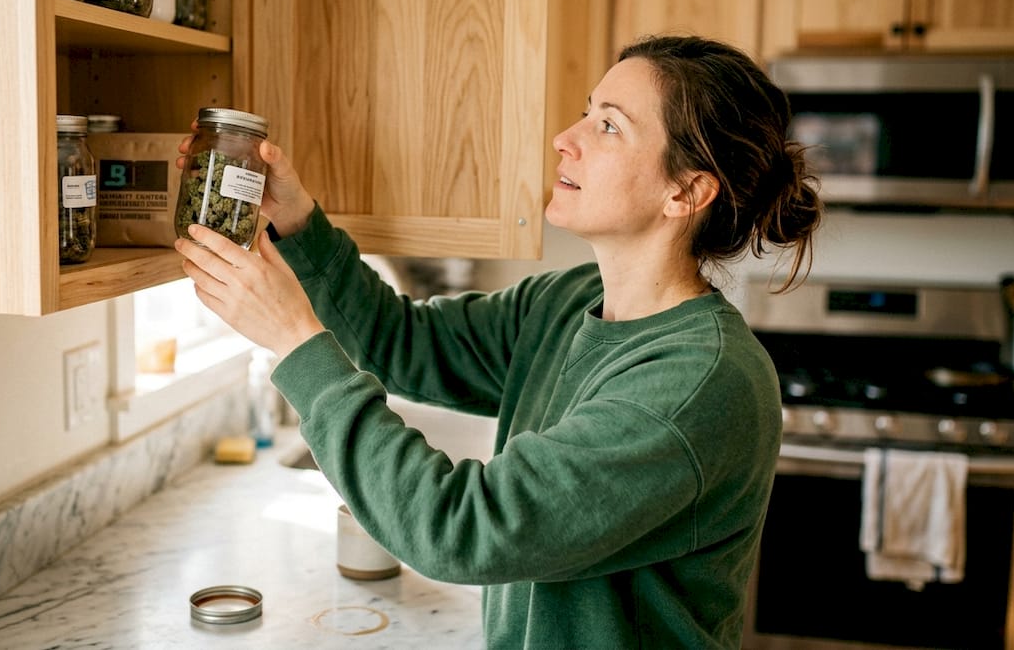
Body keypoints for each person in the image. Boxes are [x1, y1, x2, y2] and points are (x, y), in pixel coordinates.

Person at [173, 34, 822, 648]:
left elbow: (465, 531)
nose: (564, 139)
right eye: (584, 113)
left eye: (608, 126)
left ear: (685, 191)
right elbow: (401, 342)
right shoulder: (567, 303)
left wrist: (294, 339)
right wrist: (297, 220)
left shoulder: (699, 384)